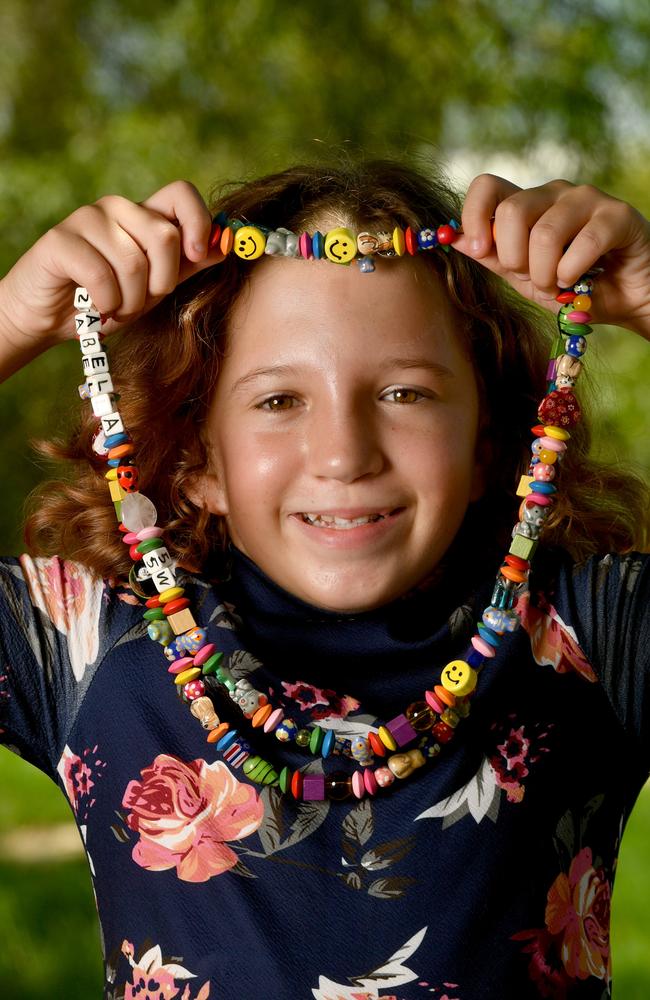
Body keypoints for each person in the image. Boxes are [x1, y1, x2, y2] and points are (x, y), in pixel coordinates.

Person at [0, 159, 649, 1000]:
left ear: (493, 443)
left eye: (406, 392)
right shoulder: (86, 642)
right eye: (278, 401)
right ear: (198, 460)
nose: (345, 454)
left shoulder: (591, 636)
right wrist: (10, 317)